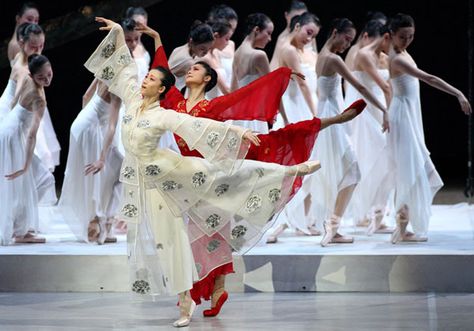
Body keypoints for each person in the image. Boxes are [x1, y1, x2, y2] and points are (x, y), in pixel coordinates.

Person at [87, 17, 321, 327]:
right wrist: (119, 33)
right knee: (171, 241)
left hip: (187, 171)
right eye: (148, 77)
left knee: (227, 190)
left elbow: (200, 123)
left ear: (161, 90)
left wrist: (238, 131)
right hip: (156, 182)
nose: (145, 80)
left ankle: (291, 171)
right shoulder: (142, 100)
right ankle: (202, 292)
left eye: (153, 80)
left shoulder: (166, 114)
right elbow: (127, 69)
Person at [146, 21, 365, 314]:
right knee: (196, 236)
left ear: (208, 79)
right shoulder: (175, 102)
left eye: (197, 69)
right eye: (191, 68)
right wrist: (157, 37)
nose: (191, 70)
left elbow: (249, 93)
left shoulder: (212, 107)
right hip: (190, 177)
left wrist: (282, 74)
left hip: (215, 174)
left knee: (275, 143)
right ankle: (209, 290)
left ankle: (333, 121)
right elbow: (162, 71)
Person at [386, 14, 471, 243]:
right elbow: (429, 78)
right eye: (402, 36)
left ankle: (402, 228)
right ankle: (401, 230)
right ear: (391, 35)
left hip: (407, 114)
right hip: (403, 117)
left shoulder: (403, 53)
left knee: (411, 170)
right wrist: (458, 93)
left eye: (411, 36)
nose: (407, 40)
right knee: (409, 170)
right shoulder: (397, 59)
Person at [309, 18, 389, 247]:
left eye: (351, 41)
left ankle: (332, 225)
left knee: (339, 171)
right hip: (333, 118)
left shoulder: (322, 57)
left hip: (326, 114)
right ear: (335, 33)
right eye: (346, 39)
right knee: (352, 171)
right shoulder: (333, 59)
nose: (347, 44)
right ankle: (332, 226)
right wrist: (383, 108)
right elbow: (360, 86)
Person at [0, 54, 54, 245]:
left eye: (49, 74)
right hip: (13, 136)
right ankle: (19, 230)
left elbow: (14, 103)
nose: (47, 80)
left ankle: (20, 226)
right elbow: (32, 134)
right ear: (32, 76)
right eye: (42, 77)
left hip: (9, 131)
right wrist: (25, 165)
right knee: (27, 181)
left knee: (35, 182)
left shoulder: (30, 81)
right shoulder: (39, 97)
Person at [346, 20, 394, 234]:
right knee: (368, 156)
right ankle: (364, 211)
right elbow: (377, 85)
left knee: (381, 158)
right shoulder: (362, 54)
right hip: (369, 110)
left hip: (379, 107)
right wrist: (390, 111)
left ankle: (377, 210)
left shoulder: (382, 56)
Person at [231, 12, 274, 133]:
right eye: (268, 33)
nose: (270, 39)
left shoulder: (237, 53)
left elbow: (233, 90)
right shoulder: (258, 55)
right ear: (256, 30)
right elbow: (273, 89)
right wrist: (285, 119)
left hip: (239, 115)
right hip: (254, 116)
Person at [168, 21, 214, 90]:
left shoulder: (183, 48)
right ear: (191, 41)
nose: (206, 52)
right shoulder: (188, 61)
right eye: (202, 49)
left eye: (209, 48)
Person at [270, 0, 308, 70]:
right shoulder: (282, 39)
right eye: (296, 18)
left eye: (303, 18)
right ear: (286, 15)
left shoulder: (309, 35)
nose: (299, 22)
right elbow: (274, 66)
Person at [207, 4, 238, 88]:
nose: (230, 32)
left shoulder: (231, 44)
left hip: (228, 92)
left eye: (233, 30)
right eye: (229, 28)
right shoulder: (206, 51)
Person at [201, 20, 234, 97]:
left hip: (218, 98)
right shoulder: (206, 58)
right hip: (208, 102)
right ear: (216, 36)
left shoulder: (216, 53)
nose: (228, 43)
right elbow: (225, 90)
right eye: (226, 39)